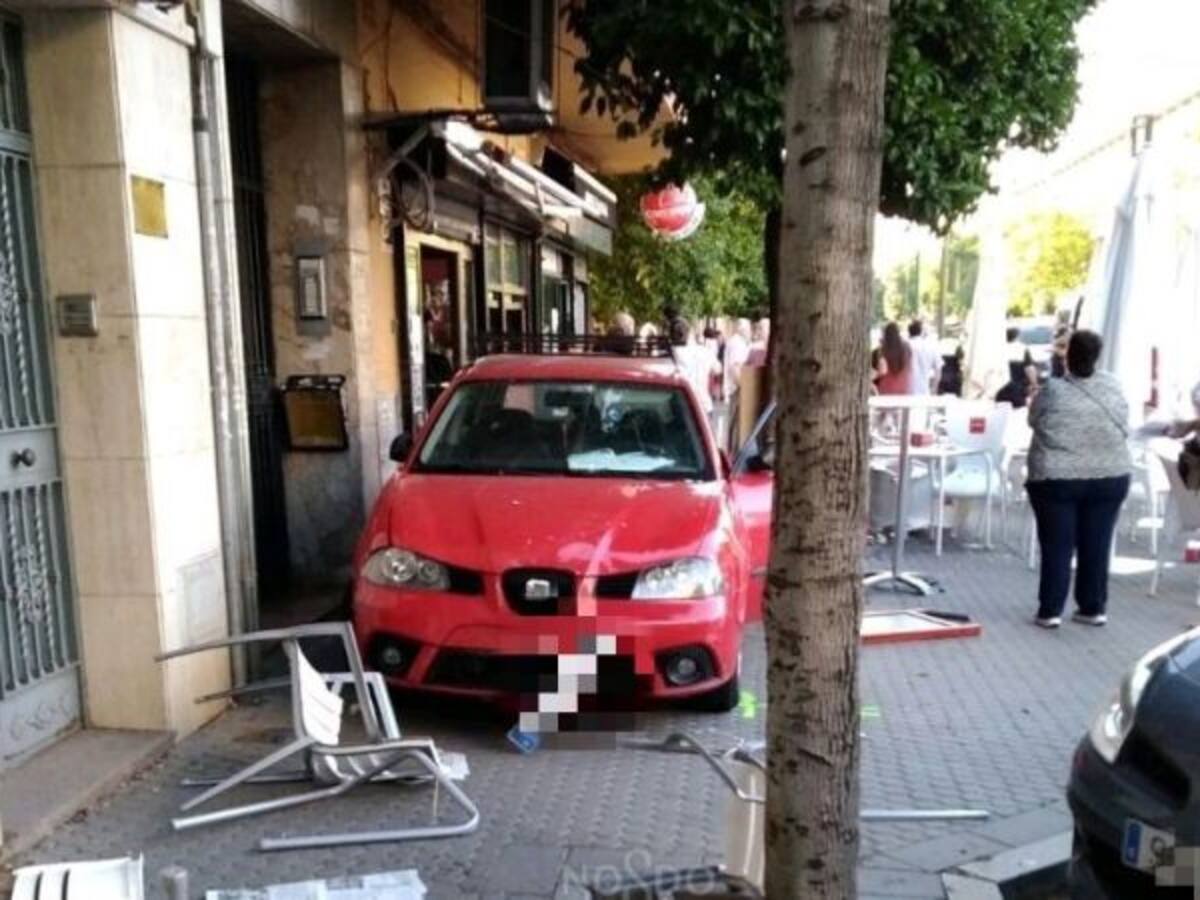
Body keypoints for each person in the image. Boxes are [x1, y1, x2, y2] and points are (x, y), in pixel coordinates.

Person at [1026, 330, 1131, 629]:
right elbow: (1124, 420)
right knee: (1097, 541)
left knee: (1058, 544)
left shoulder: (1053, 390)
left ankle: (1050, 610)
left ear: (1067, 356)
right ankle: (1092, 607)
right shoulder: (1112, 385)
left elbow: (1033, 420)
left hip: (1057, 477)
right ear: (1097, 356)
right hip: (1110, 474)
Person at [669, 318, 720, 420]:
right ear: (689, 333)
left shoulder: (671, 355)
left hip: (681, 408)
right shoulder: (704, 352)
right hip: (704, 405)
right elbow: (718, 369)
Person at [996, 326, 1037, 408]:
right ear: (1017, 337)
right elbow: (1029, 369)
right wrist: (1034, 384)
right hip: (1017, 389)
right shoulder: (1022, 349)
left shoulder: (998, 347)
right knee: (1018, 413)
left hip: (999, 390)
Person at [875, 322, 912, 395]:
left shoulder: (883, 349)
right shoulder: (907, 348)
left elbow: (882, 371)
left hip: (886, 389)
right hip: (903, 387)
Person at [906, 319, 942, 395]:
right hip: (924, 393)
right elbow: (938, 372)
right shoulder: (931, 347)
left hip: (906, 393)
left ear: (909, 332)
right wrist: (934, 389)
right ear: (921, 332)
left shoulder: (904, 346)